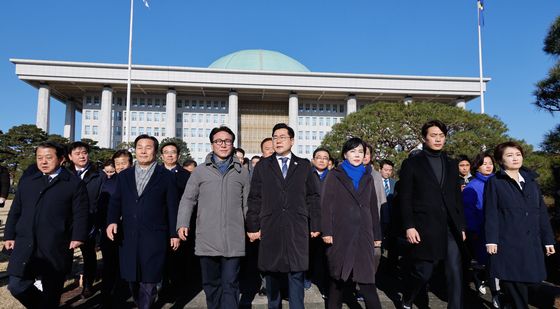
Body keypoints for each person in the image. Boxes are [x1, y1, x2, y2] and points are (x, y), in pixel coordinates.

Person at [4, 141, 89, 308]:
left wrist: (78, 236)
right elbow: (15, 210)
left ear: (61, 159)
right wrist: (9, 235)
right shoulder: (28, 182)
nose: (43, 161)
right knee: (16, 285)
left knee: (52, 290)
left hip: (56, 243)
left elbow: (81, 213)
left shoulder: (72, 183)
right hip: (25, 241)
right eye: (39, 158)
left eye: (48, 158)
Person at [246, 123, 321, 309]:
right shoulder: (263, 166)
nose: (278, 141)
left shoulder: (303, 165)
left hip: (297, 227)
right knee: (271, 276)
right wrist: (253, 226)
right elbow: (255, 197)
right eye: (275, 137)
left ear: (292, 140)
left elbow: (313, 196)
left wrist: (316, 224)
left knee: (296, 274)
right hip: (270, 227)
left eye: (282, 137)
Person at [177, 126, 250, 309]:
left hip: (233, 239)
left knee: (231, 284)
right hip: (207, 238)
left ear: (232, 144)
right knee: (211, 284)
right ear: (212, 144)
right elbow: (188, 199)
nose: (223, 145)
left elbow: (248, 204)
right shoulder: (200, 171)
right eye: (219, 141)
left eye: (227, 141)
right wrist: (182, 223)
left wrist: (251, 228)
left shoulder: (242, 172)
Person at [106, 135, 180, 309]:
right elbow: (116, 201)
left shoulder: (166, 176)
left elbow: (172, 207)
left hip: (155, 234)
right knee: (132, 278)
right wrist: (112, 221)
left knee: (150, 277)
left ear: (155, 151)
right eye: (140, 147)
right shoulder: (124, 175)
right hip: (129, 234)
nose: (143, 151)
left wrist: (174, 233)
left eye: (148, 147)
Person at [399, 120, 466, 309]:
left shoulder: (452, 163)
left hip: (449, 226)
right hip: (424, 226)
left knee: (455, 270)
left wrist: (461, 225)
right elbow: (405, 198)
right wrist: (409, 226)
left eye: (441, 135)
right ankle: (408, 298)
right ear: (424, 138)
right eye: (433, 135)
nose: (438, 139)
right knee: (423, 272)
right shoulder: (412, 163)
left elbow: (456, 197)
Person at [485, 141, 555, 309]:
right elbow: (491, 213)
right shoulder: (495, 182)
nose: (515, 158)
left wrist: (548, 239)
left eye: (518, 154)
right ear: (501, 160)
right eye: (509, 155)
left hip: (532, 242)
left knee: (534, 281)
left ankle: (507, 302)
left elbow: (542, 213)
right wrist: (491, 240)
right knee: (515, 283)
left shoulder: (531, 181)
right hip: (509, 242)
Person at [321, 138, 382, 309]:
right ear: (345, 154)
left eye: (360, 152)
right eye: (353, 151)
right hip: (341, 234)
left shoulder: (367, 176)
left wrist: (377, 235)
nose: (357, 155)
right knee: (338, 280)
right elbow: (326, 205)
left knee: (367, 281)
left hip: (364, 235)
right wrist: (327, 232)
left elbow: (372, 208)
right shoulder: (334, 175)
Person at [462, 151, 500, 308]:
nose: (488, 166)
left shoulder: (499, 181)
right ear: (477, 166)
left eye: (490, 163)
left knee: (498, 265)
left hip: (501, 231)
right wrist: (474, 231)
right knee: (490, 264)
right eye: (484, 164)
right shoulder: (473, 186)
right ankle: (495, 295)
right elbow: (468, 211)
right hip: (482, 231)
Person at [67, 141, 104, 298]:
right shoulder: (64, 174)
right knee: (63, 255)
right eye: (77, 153)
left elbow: (102, 199)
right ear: (70, 157)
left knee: (89, 255)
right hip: (67, 222)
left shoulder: (99, 175)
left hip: (90, 221)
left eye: (84, 152)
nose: (82, 156)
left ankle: (88, 284)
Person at [97, 150, 133, 308]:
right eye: (117, 164)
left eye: (123, 163)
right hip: (110, 232)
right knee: (110, 266)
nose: (120, 167)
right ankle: (107, 298)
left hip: (132, 232)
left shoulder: (138, 181)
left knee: (128, 266)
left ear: (131, 163)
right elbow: (101, 208)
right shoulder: (108, 183)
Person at [160, 141, 191, 297]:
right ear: (161, 155)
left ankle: (179, 287)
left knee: (178, 256)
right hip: (159, 221)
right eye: (166, 152)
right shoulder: (156, 173)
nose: (170, 155)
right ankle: (163, 286)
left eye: (173, 152)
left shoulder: (186, 175)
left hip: (180, 220)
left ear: (178, 155)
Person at [309, 147, 331, 297]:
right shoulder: (307, 176)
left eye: (325, 158)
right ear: (313, 160)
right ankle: (307, 278)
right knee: (309, 253)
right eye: (319, 157)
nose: (322, 160)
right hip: (310, 221)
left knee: (327, 257)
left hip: (329, 222)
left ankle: (325, 286)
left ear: (329, 162)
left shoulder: (335, 177)